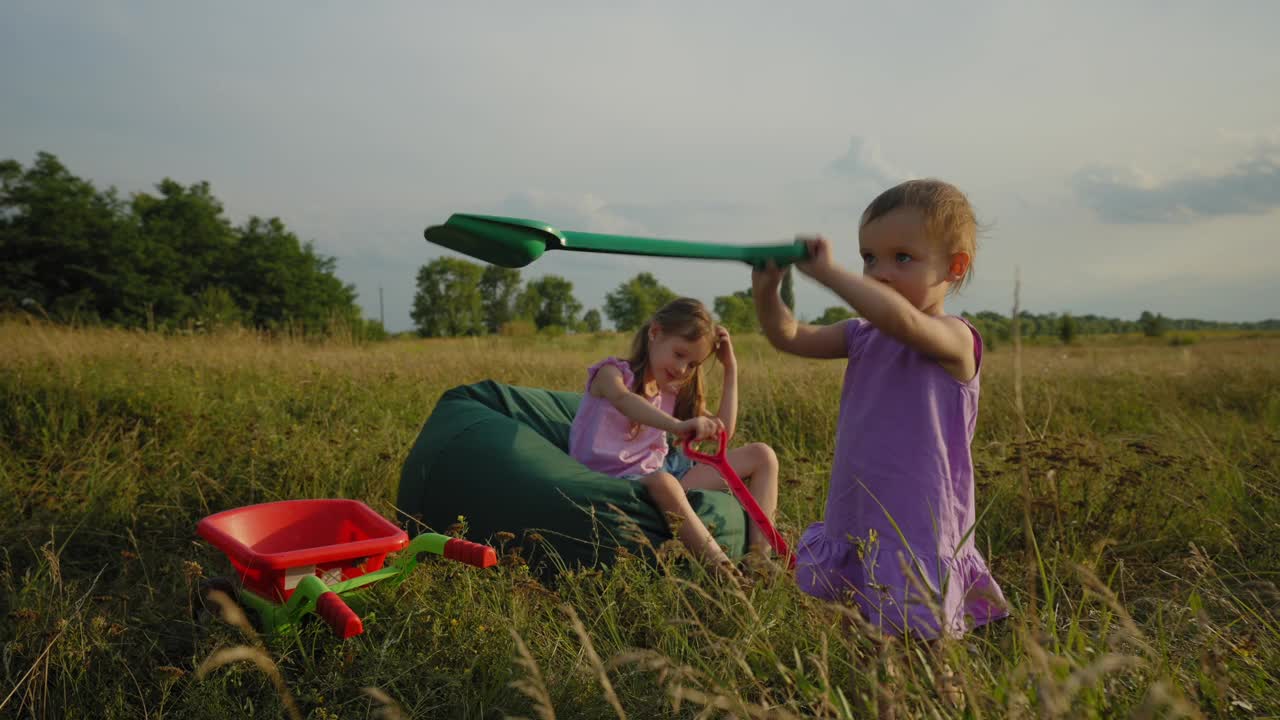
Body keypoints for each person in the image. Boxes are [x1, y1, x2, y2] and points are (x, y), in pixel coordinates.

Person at [752, 179, 1007, 638]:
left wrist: (829, 273)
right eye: (869, 258)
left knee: (926, 644)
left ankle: (942, 703)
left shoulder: (954, 338)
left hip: (921, 521)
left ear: (954, 267)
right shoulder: (862, 335)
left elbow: (903, 320)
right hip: (859, 511)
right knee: (862, 633)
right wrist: (768, 289)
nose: (880, 271)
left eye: (901, 258)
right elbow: (788, 336)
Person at [569, 297, 780, 577]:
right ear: (655, 333)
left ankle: (759, 561)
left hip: (662, 470)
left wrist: (731, 370)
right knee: (665, 482)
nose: (683, 370)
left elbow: (724, 431)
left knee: (762, 455)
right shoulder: (612, 374)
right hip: (611, 477)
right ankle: (724, 572)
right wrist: (677, 426)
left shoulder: (670, 390)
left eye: (693, 364)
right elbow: (624, 401)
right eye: (680, 355)